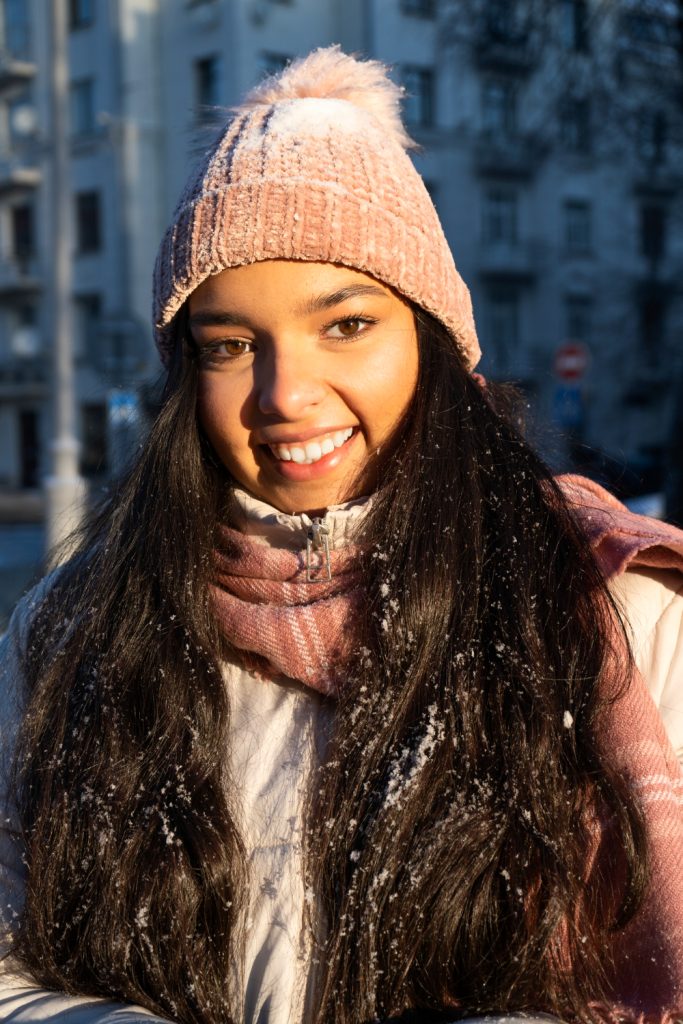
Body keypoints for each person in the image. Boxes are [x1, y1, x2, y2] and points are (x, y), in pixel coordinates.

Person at [1, 45, 683, 1024]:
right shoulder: (74, 629)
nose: (285, 395)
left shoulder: (607, 607)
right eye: (230, 345)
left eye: (346, 324)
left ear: (432, 339)